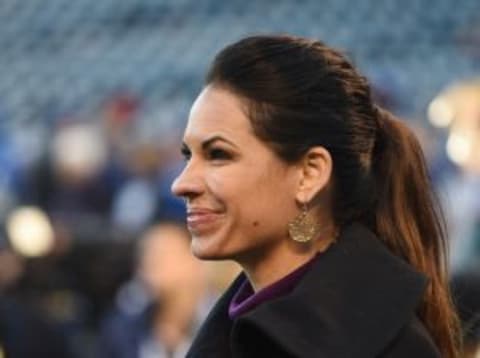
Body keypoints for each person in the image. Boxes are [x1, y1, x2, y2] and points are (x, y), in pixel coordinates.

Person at [171, 35, 461, 357]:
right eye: (188, 156)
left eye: (218, 154)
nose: (182, 184)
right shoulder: (234, 331)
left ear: (310, 174)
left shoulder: (391, 346)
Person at [97, 221, 212, 358]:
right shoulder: (120, 329)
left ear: (195, 261)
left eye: (163, 254)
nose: (150, 262)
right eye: (145, 254)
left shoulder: (224, 324)